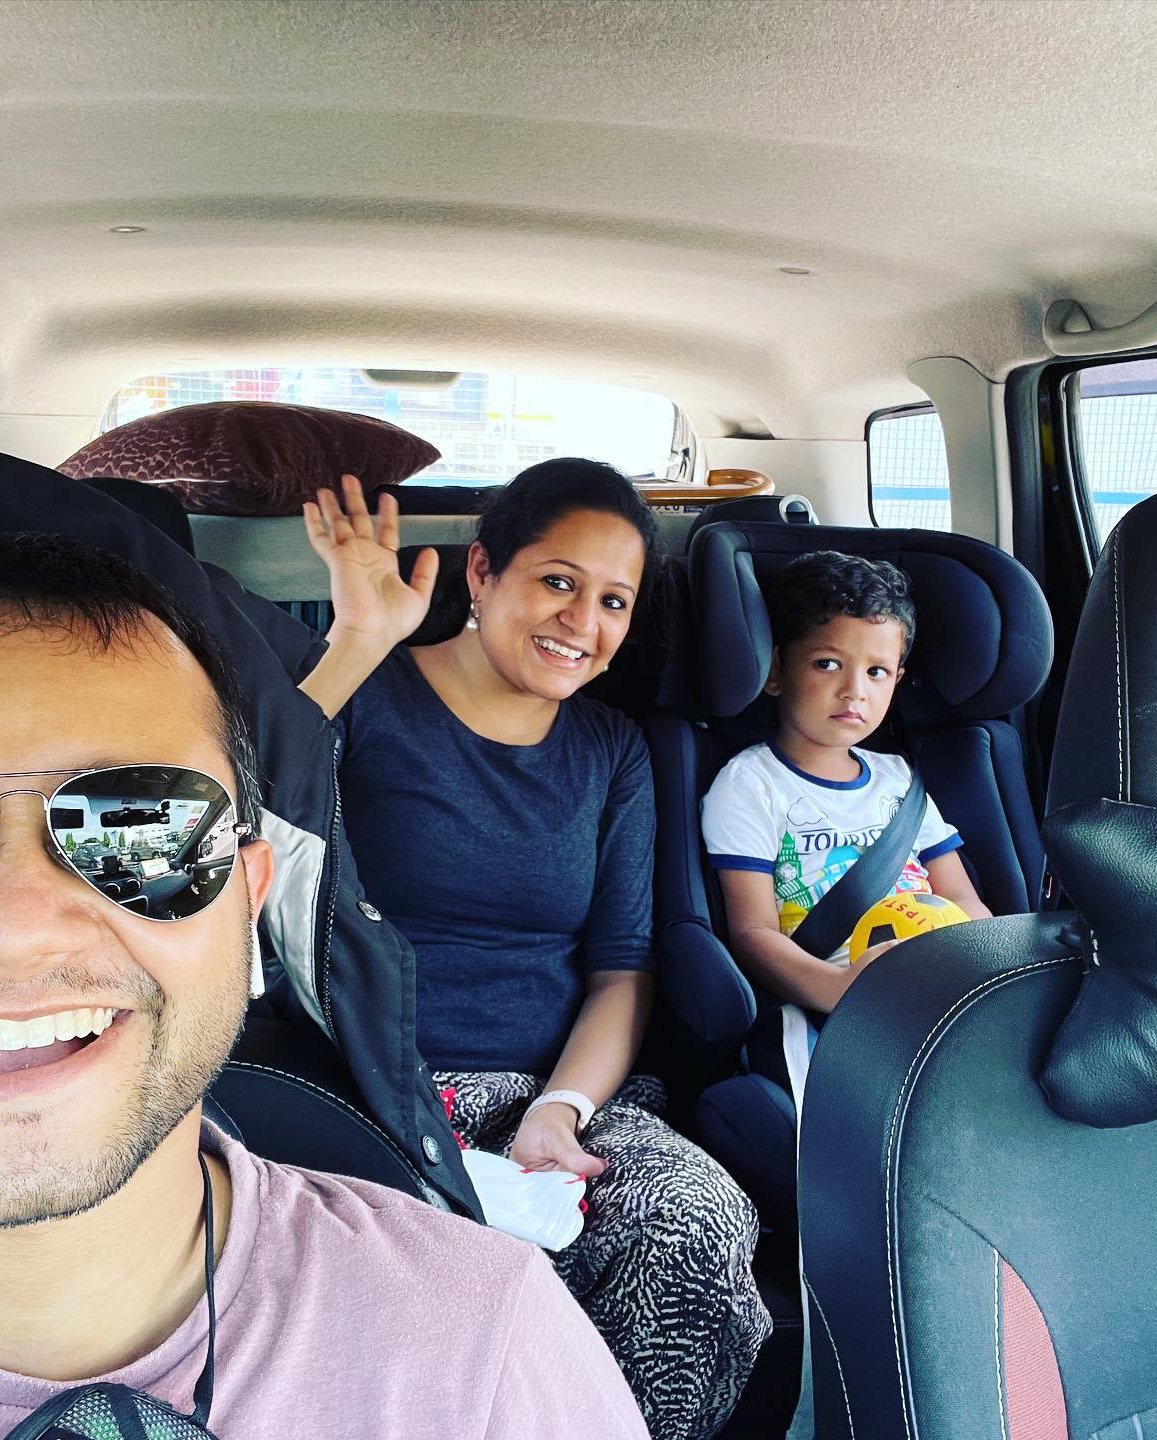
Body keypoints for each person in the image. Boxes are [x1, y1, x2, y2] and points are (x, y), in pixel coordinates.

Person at [0, 533, 648, 1439]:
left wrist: (563, 1105)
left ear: (249, 902)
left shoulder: (490, 1354)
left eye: (142, 831)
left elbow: (628, 960)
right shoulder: (387, 709)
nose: (17, 930)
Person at [299, 461, 770, 1440]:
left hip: (556, 1095)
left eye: (614, 601)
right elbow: (244, 829)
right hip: (370, 1089)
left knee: (697, 1224)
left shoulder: (613, 748)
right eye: (558, 581)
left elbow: (621, 968)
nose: (582, 623)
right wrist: (353, 645)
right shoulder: (366, 697)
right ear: (482, 572)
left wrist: (560, 1111)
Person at [702, 550, 990, 1063]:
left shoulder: (899, 780)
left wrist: (966, 965)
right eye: (828, 664)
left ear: (896, 682)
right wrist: (836, 988)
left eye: (877, 672)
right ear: (776, 670)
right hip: (829, 998)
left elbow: (962, 898)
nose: (854, 691)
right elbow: (753, 932)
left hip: (938, 982)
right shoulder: (750, 784)